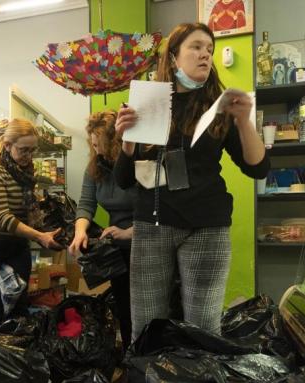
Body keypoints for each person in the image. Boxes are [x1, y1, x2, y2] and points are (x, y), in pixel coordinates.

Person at [114, 22, 269, 338]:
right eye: (196, 47)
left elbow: (258, 168)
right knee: (146, 326)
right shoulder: (147, 104)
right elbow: (123, 181)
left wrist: (243, 121)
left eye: (210, 50)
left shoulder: (218, 109)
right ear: (173, 57)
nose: (205, 55)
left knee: (204, 327)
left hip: (206, 226)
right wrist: (126, 142)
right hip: (152, 225)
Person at [0, 119, 62, 333]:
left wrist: (51, 230)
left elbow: (29, 211)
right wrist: (39, 237)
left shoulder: (26, 172)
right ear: (7, 145)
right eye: (23, 150)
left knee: (19, 305)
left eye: (32, 150)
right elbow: (4, 219)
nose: (28, 156)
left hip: (15, 243)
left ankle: (16, 358)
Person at [68, 111, 136, 349]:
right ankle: (131, 362)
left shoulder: (137, 164)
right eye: (92, 144)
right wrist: (80, 231)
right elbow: (86, 204)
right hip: (118, 249)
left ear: (114, 142)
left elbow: (155, 210)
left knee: (145, 311)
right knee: (125, 310)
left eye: (99, 144)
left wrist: (129, 232)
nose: (95, 149)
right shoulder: (96, 167)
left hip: (145, 244)